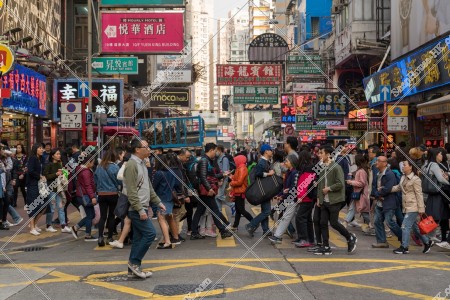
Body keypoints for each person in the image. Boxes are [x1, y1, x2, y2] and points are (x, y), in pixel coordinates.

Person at [123, 139, 165, 279]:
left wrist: (158, 202)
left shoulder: (142, 164)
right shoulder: (131, 165)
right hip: (136, 208)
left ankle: (133, 269)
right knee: (150, 234)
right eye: (146, 147)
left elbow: (148, 187)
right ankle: (134, 264)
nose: (149, 150)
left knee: (138, 238)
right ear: (137, 149)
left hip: (143, 207)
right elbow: (131, 190)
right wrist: (140, 210)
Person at [315, 145, 357, 255]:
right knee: (323, 222)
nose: (319, 155)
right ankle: (326, 246)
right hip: (324, 200)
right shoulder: (322, 168)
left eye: (321, 153)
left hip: (335, 199)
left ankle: (350, 237)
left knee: (333, 223)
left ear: (328, 155)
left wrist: (329, 189)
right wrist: (319, 198)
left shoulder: (336, 167)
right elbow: (320, 185)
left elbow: (340, 183)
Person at [190, 143, 233, 240]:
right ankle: (222, 231)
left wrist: (223, 175)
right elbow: (203, 177)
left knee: (200, 211)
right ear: (211, 150)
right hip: (206, 191)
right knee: (215, 210)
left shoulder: (208, 160)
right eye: (215, 151)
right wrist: (209, 189)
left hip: (206, 189)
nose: (216, 153)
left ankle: (194, 232)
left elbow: (211, 176)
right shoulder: (204, 161)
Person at [391, 159, 434, 254]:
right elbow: (398, 187)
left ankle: (404, 247)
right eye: (402, 165)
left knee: (405, 226)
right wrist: (387, 189)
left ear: (410, 166)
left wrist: (421, 209)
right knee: (414, 227)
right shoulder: (403, 177)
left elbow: (419, 194)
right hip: (406, 206)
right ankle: (427, 241)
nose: (403, 166)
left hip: (414, 207)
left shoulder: (416, 179)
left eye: (405, 165)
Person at [371, 155, 403, 248]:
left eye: (378, 161)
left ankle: (403, 238)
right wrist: (376, 194)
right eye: (377, 161)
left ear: (384, 163)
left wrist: (377, 194)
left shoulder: (389, 174)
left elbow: (387, 189)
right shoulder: (378, 173)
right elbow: (375, 186)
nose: (376, 162)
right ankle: (381, 241)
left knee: (390, 222)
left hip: (388, 202)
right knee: (377, 221)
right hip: (379, 202)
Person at [152, 154, 183, 249]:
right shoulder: (171, 172)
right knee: (170, 218)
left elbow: (154, 186)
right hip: (170, 197)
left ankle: (167, 241)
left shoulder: (158, 173)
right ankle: (176, 237)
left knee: (161, 219)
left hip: (161, 198)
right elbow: (177, 184)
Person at [421, 148, 450, 250]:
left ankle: (437, 238)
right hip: (438, 194)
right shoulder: (434, 165)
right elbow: (441, 179)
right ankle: (429, 238)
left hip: (431, 194)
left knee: (438, 217)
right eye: (440, 154)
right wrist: (448, 182)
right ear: (436, 155)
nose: (442, 156)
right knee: (436, 217)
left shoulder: (427, 164)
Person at [245, 144, 275, 238]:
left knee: (265, 210)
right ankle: (251, 225)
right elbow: (258, 173)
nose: (272, 152)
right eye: (270, 150)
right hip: (263, 190)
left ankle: (266, 230)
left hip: (265, 190)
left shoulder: (265, 161)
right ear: (266, 151)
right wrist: (268, 174)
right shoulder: (262, 162)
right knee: (266, 211)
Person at [268, 155, 299, 244]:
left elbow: (294, 187)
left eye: (287, 161)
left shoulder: (295, 173)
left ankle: (277, 236)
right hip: (288, 198)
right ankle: (288, 233)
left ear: (292, 162)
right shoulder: (289, 172)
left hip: (292, 198)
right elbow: (286, 187)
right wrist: (281, 195)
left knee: (286, 218)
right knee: (287, 217)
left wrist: (285, 193)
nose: (285, 162)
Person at [95, 149, 120, 247]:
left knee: (103, 216)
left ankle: (100, 237)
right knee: (111, 216)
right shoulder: (115, 167)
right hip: (113, 194)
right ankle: (109, 237)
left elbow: (95, 180)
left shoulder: (99, 167)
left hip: (101, 194)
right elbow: (119, 181)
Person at [71, 152, 98, 241]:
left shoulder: (80, 169)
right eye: (93, 162)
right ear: (89, 162)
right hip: (86, 196)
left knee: (90, 215)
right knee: (90, 215)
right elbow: (88, 186)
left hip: (82, 195)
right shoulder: (86, 172)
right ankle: (87, 235)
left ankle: (76, 228)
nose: (93, 164)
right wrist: (92, 197)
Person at [43, 148, 71, 234]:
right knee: (51, 207)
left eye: (59, 154)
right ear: (52, 156)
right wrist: (56, 174)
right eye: (57, 154)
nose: (59, 155)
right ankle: (48, 225)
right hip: (51, 188)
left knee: (61, 206)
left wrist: (64, 173)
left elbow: (63, 175)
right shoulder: (49, 165)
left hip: (59, 188)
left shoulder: (60, 164)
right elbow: (46, 176)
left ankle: (63, 225)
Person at [293, 150, 317, 248]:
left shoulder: (307, 169)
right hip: (307, 197)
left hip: (306, 198)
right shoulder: (309, 168)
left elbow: (305, 184)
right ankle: (310, 239)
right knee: (307, 219)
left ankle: (304, 239)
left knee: (300, 217)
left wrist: (300, 197)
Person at [345, 154, 371, 234]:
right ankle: (345, 223)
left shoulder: (361, 171)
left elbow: (362, 183)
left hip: (361, 194)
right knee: (352, 208)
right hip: (358, 194)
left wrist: (351, 182)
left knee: (364, 212)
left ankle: (370, 224)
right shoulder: (362, 170)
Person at [25, 144, 47, 235]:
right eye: (40, 148)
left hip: (40, 185)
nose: (42, 150)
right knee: (33, 205)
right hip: (32, 184)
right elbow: (30, 171)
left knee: (43, 204)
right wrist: (40, 176)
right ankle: (32, 227)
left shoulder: (41, 159)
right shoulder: (32, 158)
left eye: (42, 148)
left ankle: (34, 224)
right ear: (35, 149)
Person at [228, 155, 252, 231]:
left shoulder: (242, 168)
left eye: (236, 161)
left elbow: (239, 181)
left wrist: (231, 183)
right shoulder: (240, 167)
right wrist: (231, 176)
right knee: (238, 210)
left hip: (240, 191)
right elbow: (237, 178)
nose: (235, 162)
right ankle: (235, 225)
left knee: (241, 210)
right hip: (238, 191)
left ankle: (254, 222)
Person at [11, 143, 27, 208]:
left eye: (19, 147)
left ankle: (26, 203)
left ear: (22, 148)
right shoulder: (14, 157)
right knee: (15, 189)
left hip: (23, 175)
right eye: (17, 148)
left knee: (23, 190)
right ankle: (14, 203)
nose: (18, 149)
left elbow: (26, 166)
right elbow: (13, 167)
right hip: (16, 175)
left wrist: (23, 173)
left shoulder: (25, 156)